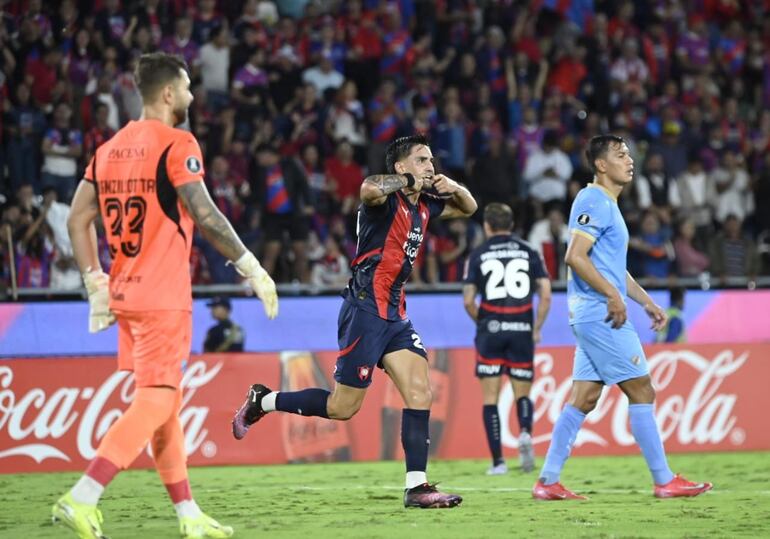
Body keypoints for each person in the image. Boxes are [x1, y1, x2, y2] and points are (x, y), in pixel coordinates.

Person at [54, 52, 278, 539]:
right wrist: (251, 267)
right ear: (169, 93)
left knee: (166, 408)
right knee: (158, 400)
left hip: (125, 293)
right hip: (162, 296)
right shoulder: (177, 142)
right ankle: (83, 496)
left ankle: (188, 515)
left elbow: (77, 218)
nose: (195, 96)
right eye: (189, 87)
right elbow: (205, 212)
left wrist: (94, 280)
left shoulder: (108, 148)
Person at [232, 134, 477, 508]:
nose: (430, 166)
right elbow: (368, 188)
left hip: (395, 313)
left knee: (420, 390)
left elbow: (469, 207)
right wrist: (412, 183)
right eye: (422, 160)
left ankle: (417, 487)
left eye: (431, 161)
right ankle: (263, 400)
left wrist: (452, 186)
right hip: (364, 308)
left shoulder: (424, 206)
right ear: (401, 167)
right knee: (342, 408)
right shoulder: (385, 199)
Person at [532, 134, 712, 501]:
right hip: (601, 314)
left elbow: (612, 268)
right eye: (620, 154)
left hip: (591, 313)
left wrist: (646, 301)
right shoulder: (593, 199)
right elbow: (575, 256)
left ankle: (547, 482)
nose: (629, 160)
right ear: (601, 164)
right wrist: (613, 296)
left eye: (629, 154)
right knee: (642, 389)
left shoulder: (608, 204)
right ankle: (664, 480)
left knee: (583, 398)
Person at [462, 203, 552, 475]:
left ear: (487, 226)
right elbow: (546, 294)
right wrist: (536, 327)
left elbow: (468, 301)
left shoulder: (477, 254)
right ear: (511, 224)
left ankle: (498, 462)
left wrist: (485, 323)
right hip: (522, 328)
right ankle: (525, 432)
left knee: (491, 398)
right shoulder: (529, 251)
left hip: (491, 330)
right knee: (521, 392)